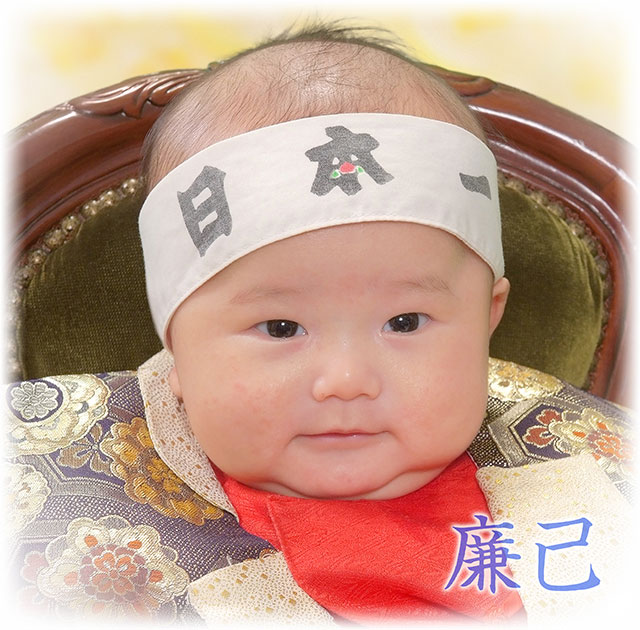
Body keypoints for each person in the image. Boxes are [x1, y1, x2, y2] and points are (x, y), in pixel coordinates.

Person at [8, 24, 632, 627]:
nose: (346, 380)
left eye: (404, 322)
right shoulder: (42, 492)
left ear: (487, 318)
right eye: (281, 328)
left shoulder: (598, 466)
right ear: (176, 341)